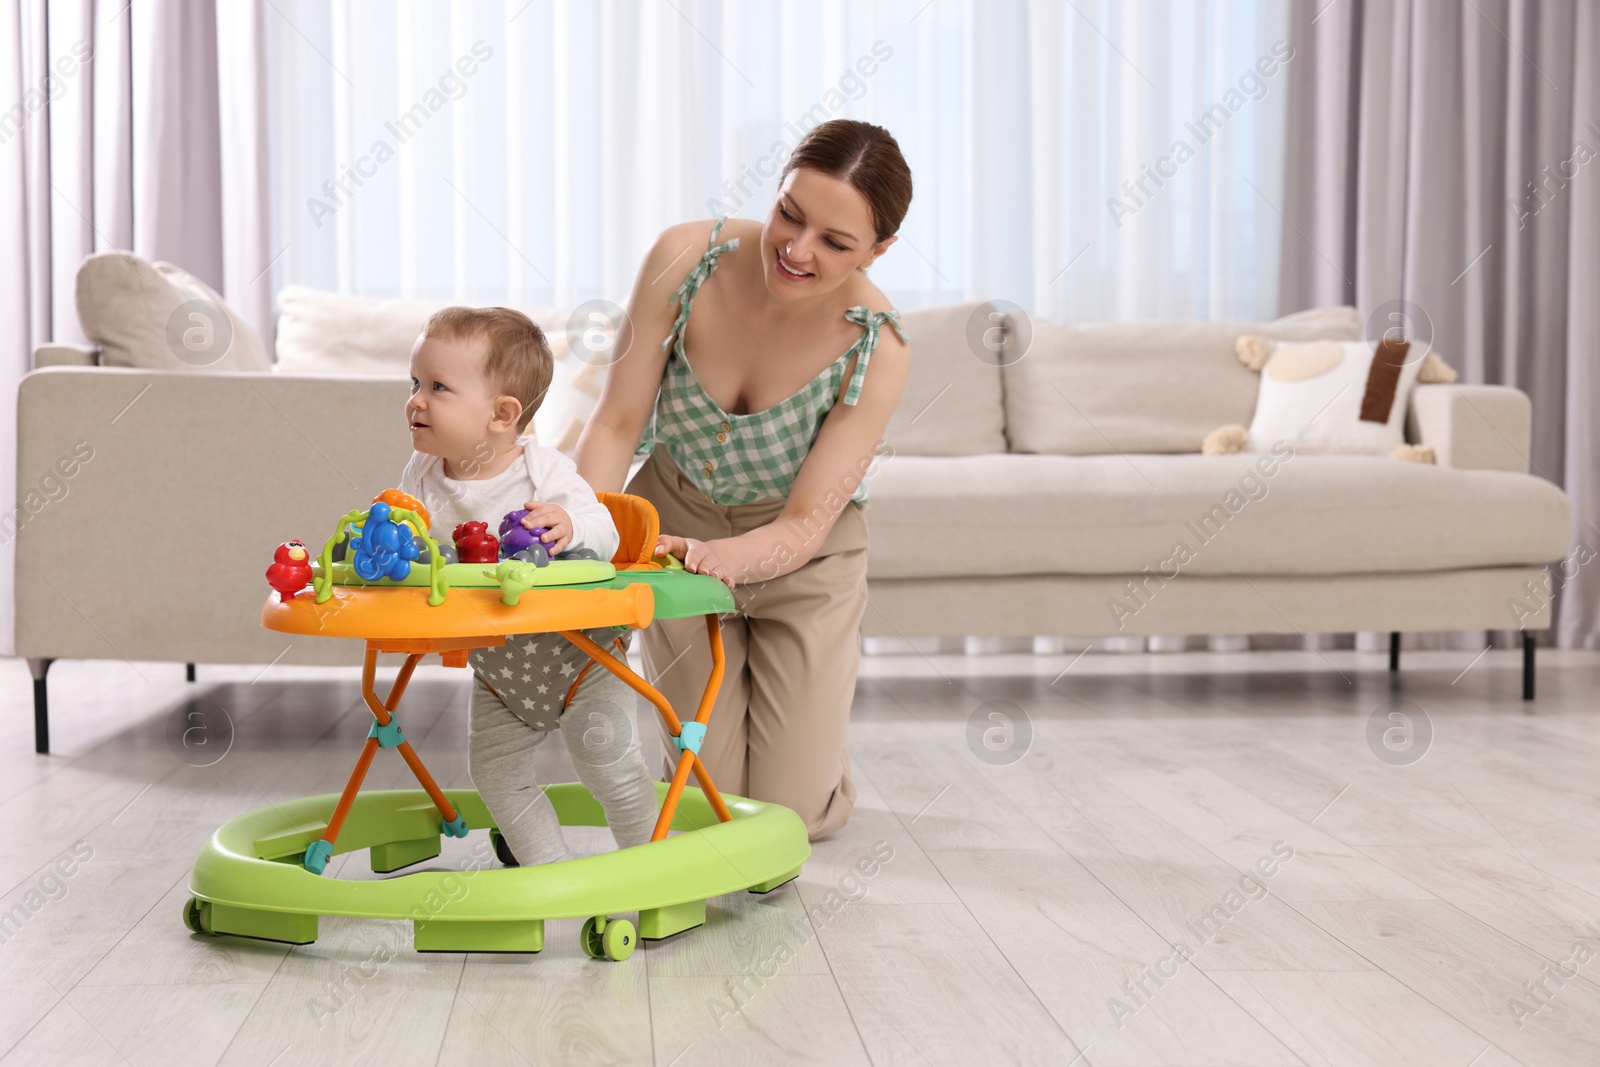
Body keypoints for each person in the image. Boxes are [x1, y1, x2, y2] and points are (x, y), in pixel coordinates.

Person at [575, 119, 914, 839]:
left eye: (836, 242)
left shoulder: (876, 346)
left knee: (788, 820)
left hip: (805, 564)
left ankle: (816, 767)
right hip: (672, 529)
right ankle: (741, 757)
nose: (796, 249)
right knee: (711, 812)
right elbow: (616, 421)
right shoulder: (684, 257)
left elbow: (803, 523)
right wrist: (581, 539)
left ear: (880, 251)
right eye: (790, 214)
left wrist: (725, 560)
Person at [398, 306, 659, 865]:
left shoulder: (544, 472)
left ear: (502, 414)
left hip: (582, 658)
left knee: (610, 769)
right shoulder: (421, 476)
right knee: (494, 773)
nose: (416, 399)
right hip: (500, 668)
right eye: (414, 383)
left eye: (437, 387)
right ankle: (548, 874)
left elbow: (606, 531)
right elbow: (418, 550)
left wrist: (569, 527)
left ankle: (656, 870)